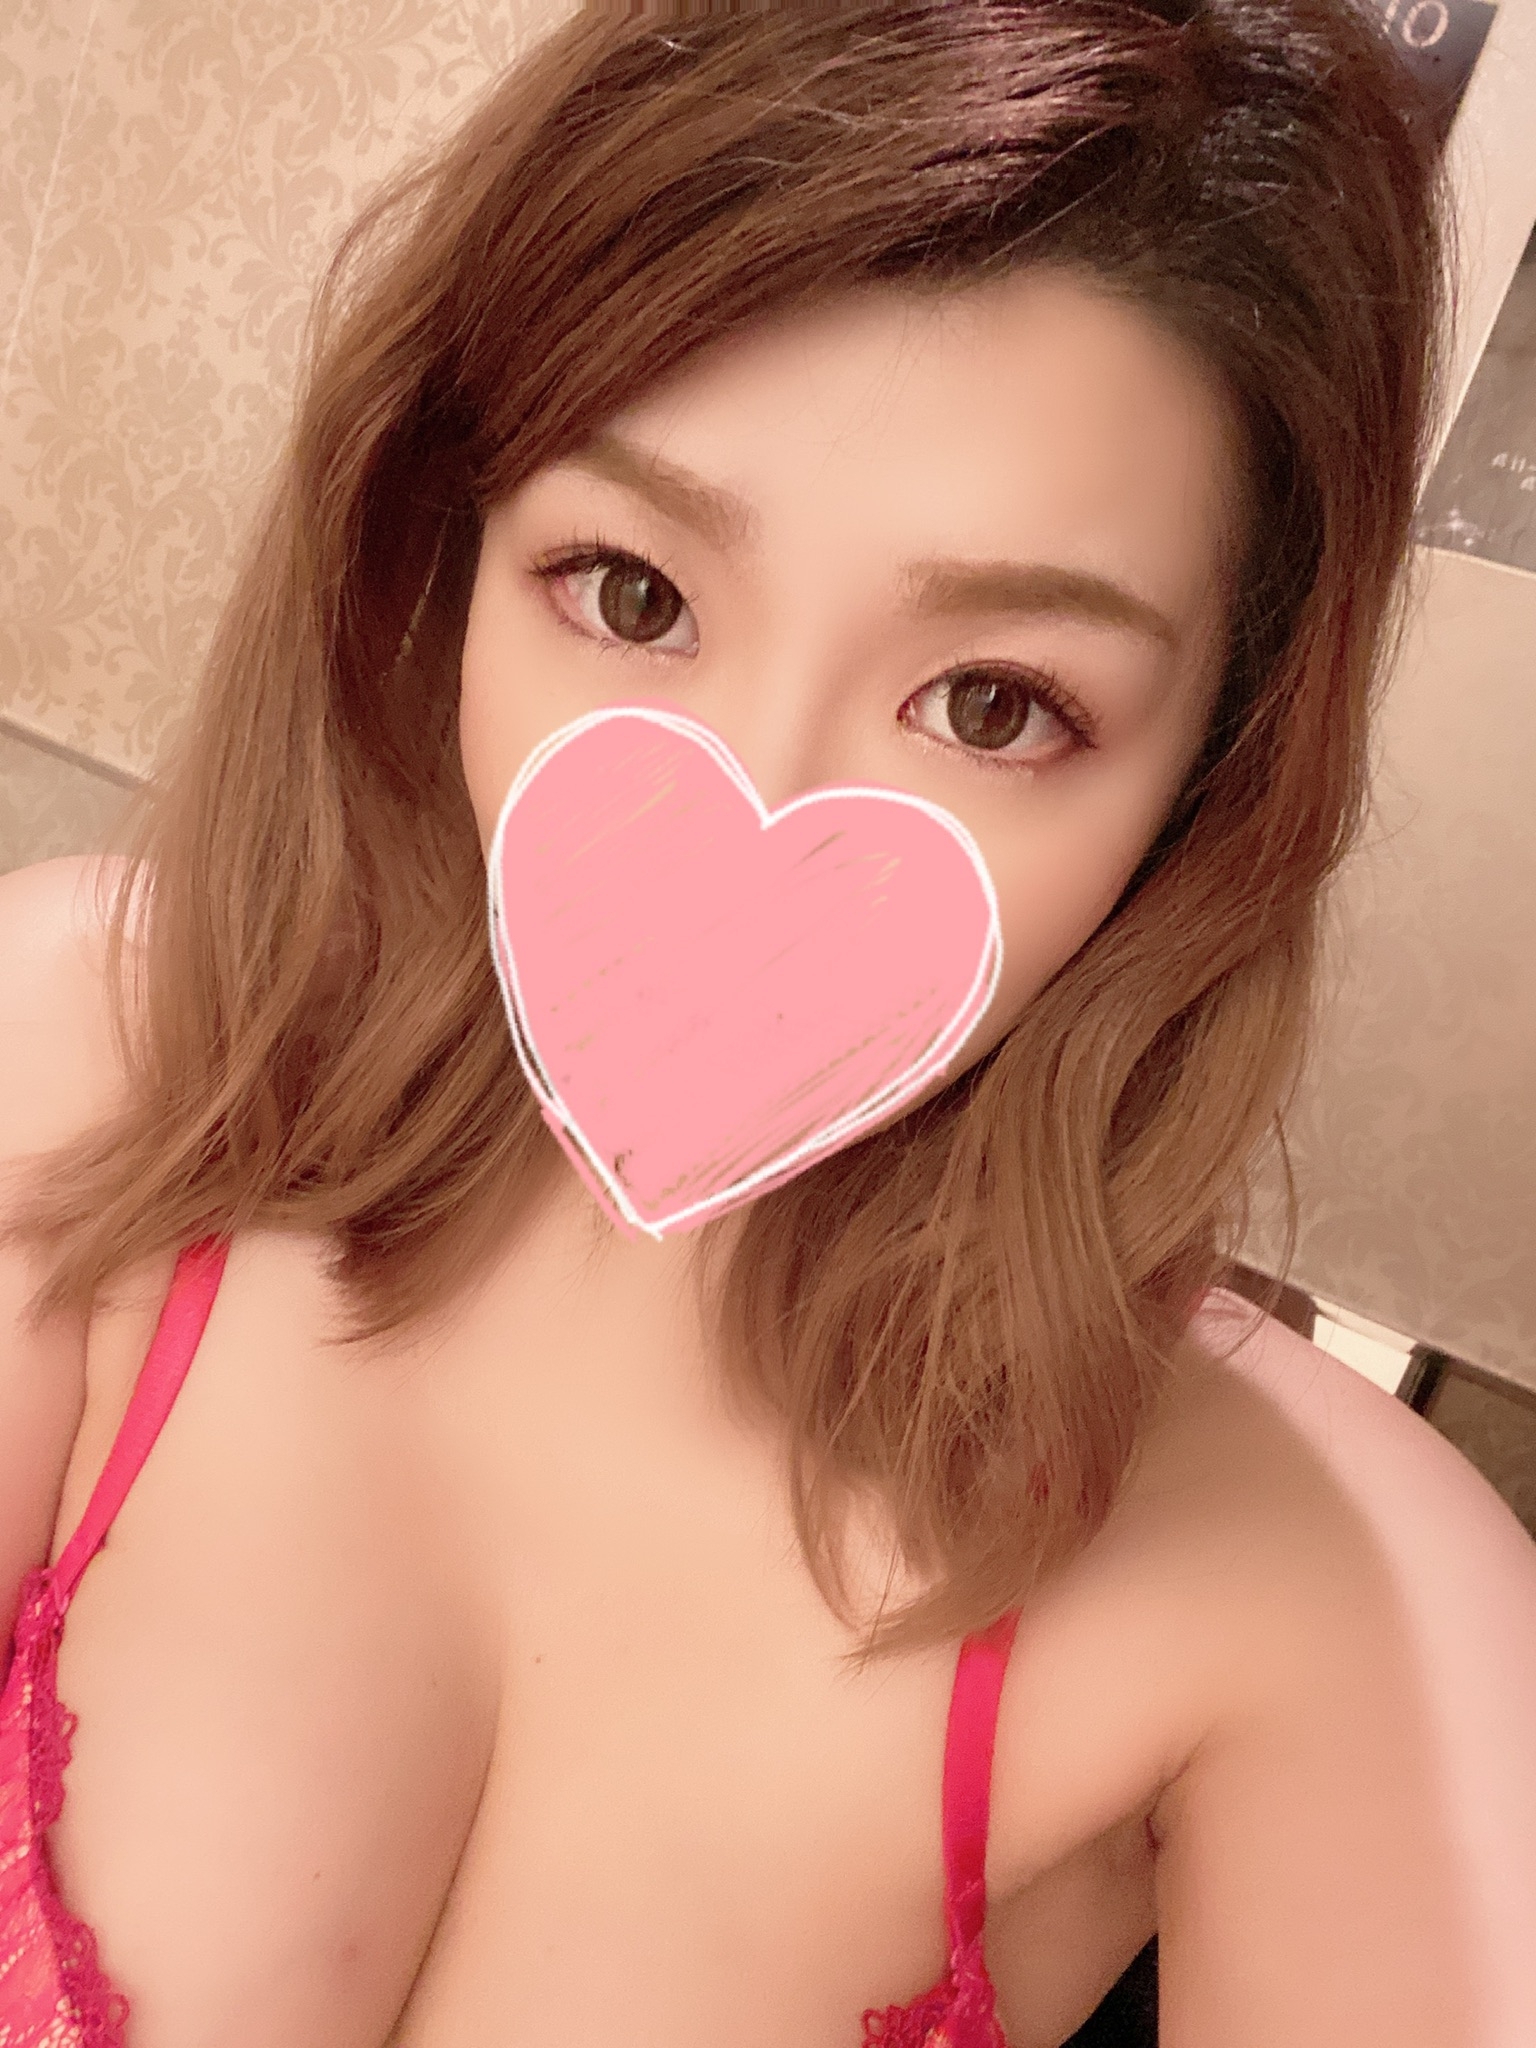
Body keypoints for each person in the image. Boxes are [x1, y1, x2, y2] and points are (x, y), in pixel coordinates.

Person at [2, 3, 1534, 2044]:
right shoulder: (85, 1064)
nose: (758, 806)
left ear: (1204, 791)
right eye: (631, 593)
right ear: (438, 553)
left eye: (994, 704)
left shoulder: (1335, 1590)